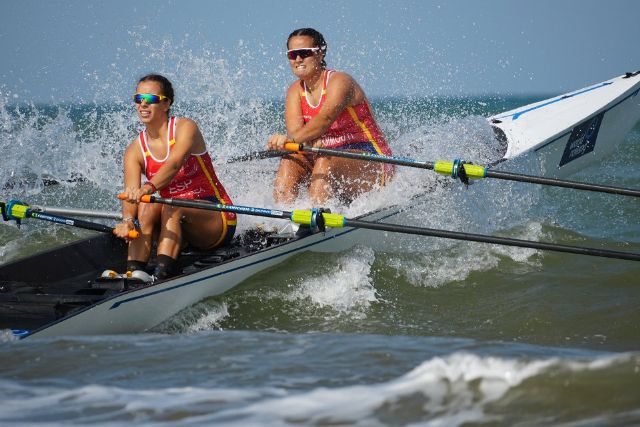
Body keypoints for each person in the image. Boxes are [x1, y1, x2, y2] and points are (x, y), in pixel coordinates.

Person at [114, 74, 236, 280]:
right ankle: (134, 273)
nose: (143, 104)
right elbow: (130, 194)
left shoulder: (185, 128)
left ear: (166, 103)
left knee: (169, 204)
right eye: (138, 99)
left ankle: (162, 275)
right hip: (173, 219)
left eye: (151, 99)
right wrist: (127, 220)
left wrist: (148, 188)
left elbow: (174, 164)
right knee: (145, 205)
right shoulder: (134, 150)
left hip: (215, 216)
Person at [267, 27, 394, 205]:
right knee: (290, 160)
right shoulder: (295, 91)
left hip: (373, 160)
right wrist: (295, 143)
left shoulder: (341, 82)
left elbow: (323, 121)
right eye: (292, 54)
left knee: (325, 160)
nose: (298, 59)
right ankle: (282, 218)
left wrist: (287, 140)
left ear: (320, 54)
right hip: (326, 157)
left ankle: (316, 217)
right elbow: (298, 135)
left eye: (304, 53)